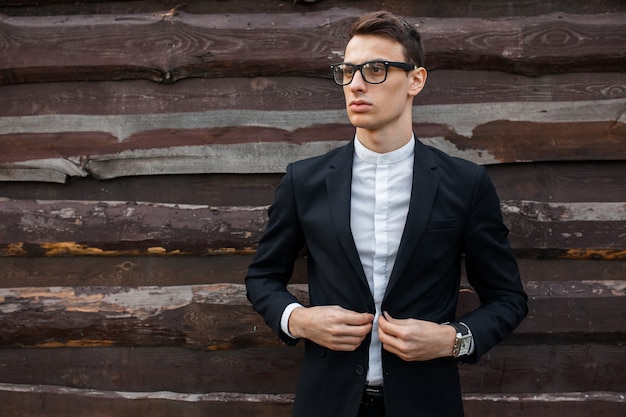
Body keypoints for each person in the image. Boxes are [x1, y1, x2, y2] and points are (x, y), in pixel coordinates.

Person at [245, 10, 528, 417]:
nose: (356, 84)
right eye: (347, 70)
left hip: (427, 403)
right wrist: (299, 320)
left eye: (375, 69)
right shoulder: (303, 181)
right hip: (327, 403)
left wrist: (453, 339)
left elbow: (508, 299)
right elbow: (262, 278)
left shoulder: (465, 183)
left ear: (416, 80)